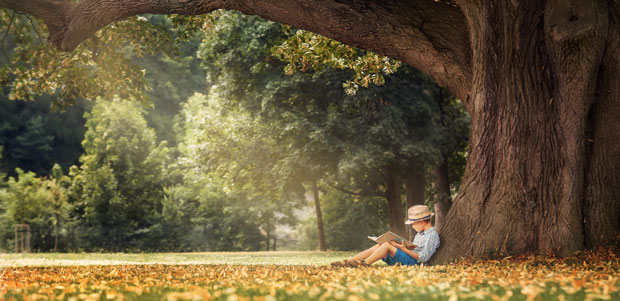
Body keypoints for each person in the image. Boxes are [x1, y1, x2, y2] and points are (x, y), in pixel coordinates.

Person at [331, 205, 440, 267]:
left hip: (414, 263)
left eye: (413, 224)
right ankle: (349, 261)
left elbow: (423, 257)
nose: (412, 227)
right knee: (381, 245)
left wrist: (403, 249)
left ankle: (364, 264)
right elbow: (414, 249)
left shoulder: (432, 236)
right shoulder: (420, 234)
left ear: (422, 222)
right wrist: (402, 246)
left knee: (387, 245)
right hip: (409, 257)